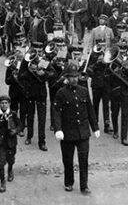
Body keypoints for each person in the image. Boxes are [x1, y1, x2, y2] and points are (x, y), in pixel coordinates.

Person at [52, 63, 100, 195]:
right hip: (67, 132)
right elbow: (56, 111)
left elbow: (90, 110)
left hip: (83, 132)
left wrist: (95, 127)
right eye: (71, 77)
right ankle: (69, 182)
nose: (74, 79)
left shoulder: (83, 91)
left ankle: (84, 186)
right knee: (67, 159)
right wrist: (58, 129)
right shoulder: (61, 93)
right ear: (66, 77)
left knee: (83, 160)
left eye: (76, 76)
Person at [0, 95, 21, 193]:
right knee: (1, 163)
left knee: (11, 159)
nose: (4, 105)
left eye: (6, 103)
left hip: (11, 141)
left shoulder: (13, 114)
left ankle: (10, 169)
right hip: (0, 142)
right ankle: (2, 182)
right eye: (2, 103)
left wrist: (15, 131)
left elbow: (20, 125)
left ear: (9, 104)